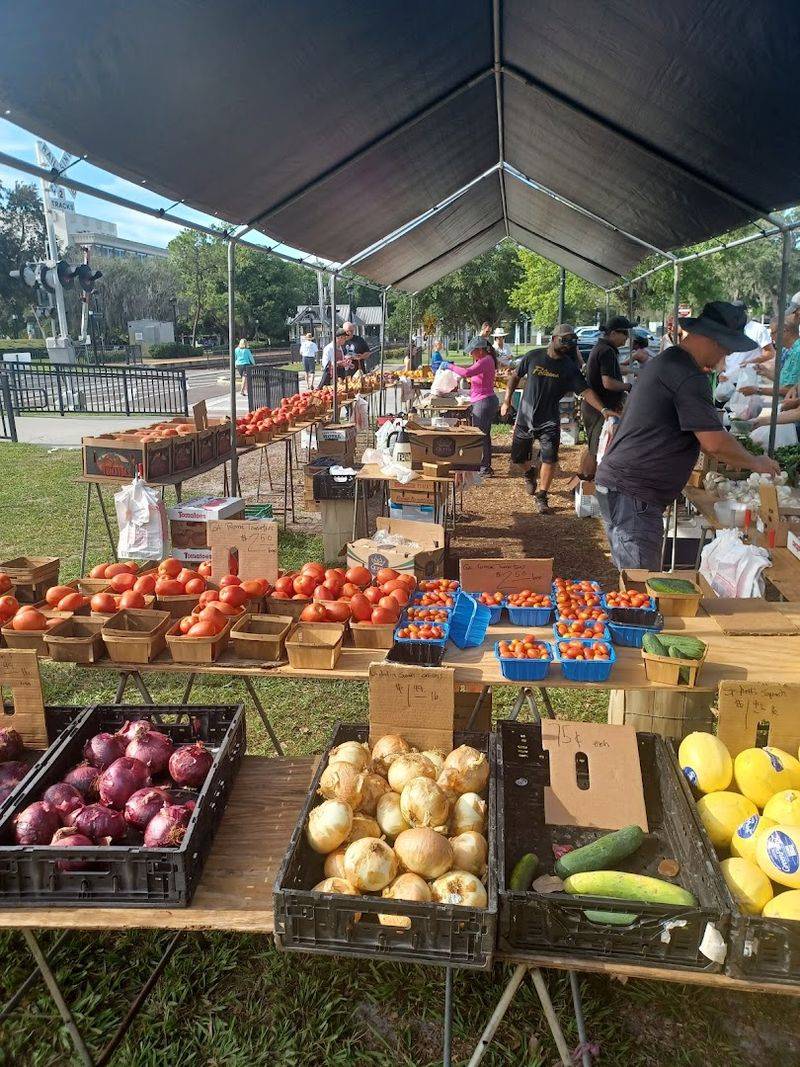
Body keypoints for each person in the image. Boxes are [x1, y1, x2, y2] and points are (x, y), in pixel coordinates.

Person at [595, 301, 780, 571]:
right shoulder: (687, 375)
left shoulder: (670, 361)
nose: (728, 353)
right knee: (640, 583)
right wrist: (755, 462)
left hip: (626, 489)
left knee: (634, 579)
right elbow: (713, 442)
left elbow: (701, 435)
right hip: (633, 494)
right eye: (726, 346)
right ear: (711, 338)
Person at [500, 324, 609, 514]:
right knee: (518, 458)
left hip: (549, 420)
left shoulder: (569, 367)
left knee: (549, 459)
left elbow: (585, 391)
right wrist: (506, 401)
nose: (568, 344)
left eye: (572, 341)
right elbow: (515, 377)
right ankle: (529, 472)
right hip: (525, 417)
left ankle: (542, 496)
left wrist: (604, 409)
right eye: (564, 339)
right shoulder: (533, 356)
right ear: (553, 339)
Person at [579, 316, 632, 482]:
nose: (627, 338)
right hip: (599, 408)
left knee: (593, 446)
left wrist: (634, 371)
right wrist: (629, 387)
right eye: (625, 333)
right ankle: (587, 484)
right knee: (596, 449)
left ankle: (583, 483)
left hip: (596, 406)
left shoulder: (603, 348)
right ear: (614, 333)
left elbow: (612, 370)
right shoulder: (606, 351)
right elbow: (608, 382)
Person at [440, 344, 499, 474]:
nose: (470, 354)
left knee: (480, 435)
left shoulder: (485, 360)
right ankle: (485, 465)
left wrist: (450, 366)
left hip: (483, 401)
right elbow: (479, 381)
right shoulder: (485, 360)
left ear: (480, 350)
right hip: (483, 399)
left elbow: (467, 373)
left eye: (472, 351)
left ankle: (484, 467)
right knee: (484, 434)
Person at [738, 316, 800, 398]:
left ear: (784, 331)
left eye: (773, 333)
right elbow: (785, 382)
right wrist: (765, 372)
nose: (771, 337)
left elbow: (791, 390)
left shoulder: (798, 352)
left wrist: (758, 390)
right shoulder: (787, 350)